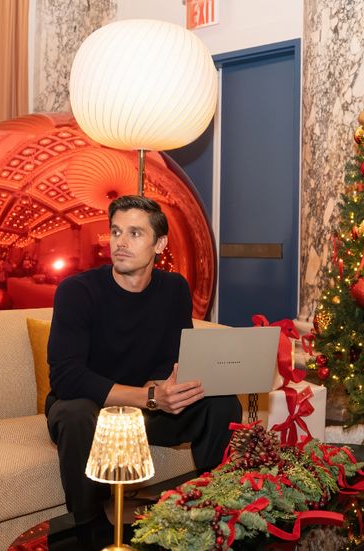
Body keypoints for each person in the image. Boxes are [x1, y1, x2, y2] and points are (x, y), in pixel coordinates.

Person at [45, 195, 241, 517]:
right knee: (76, 415)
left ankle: (217, 512)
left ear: (160, 244)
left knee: (221, 402)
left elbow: (173, 354)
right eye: (116, 232)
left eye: (135, 233)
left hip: (146, 413)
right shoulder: (77, 291)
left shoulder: (175, 288)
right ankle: (90, 530)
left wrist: (160, 389)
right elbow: (66, 376)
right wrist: (149, 396)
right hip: (91, 408)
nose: (120, 242)